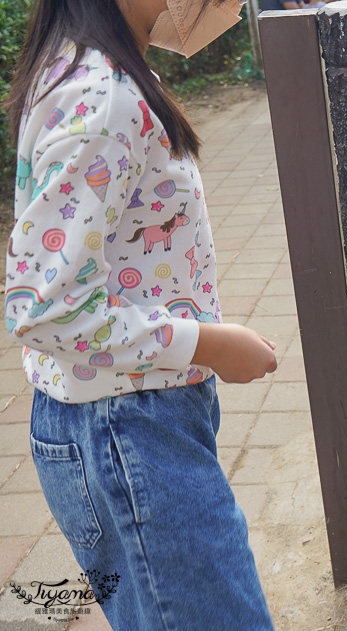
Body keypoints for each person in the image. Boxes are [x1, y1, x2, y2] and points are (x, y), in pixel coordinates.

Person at [3, 0, 278, 628]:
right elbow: (45, 307)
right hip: (129, 427)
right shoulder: (104, 97)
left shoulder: (90, 73)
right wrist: (208, 342)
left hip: (113, 419)